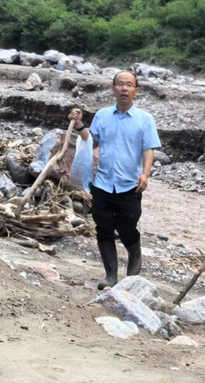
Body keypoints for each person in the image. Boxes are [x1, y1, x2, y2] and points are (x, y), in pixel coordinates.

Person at [69, 70, 161, 290]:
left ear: (136, 91)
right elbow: (90, 141)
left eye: (129, 85)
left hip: (130, 184)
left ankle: (133, 267)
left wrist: (145, 173)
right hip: (102, 183)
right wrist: (79, 125)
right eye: (120, 84)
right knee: (104, 229)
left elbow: (149, 149)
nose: (124, 88)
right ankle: (111, 276)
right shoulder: (102, 115)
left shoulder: (145, 119)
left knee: (127, 227)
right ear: (113, 89)